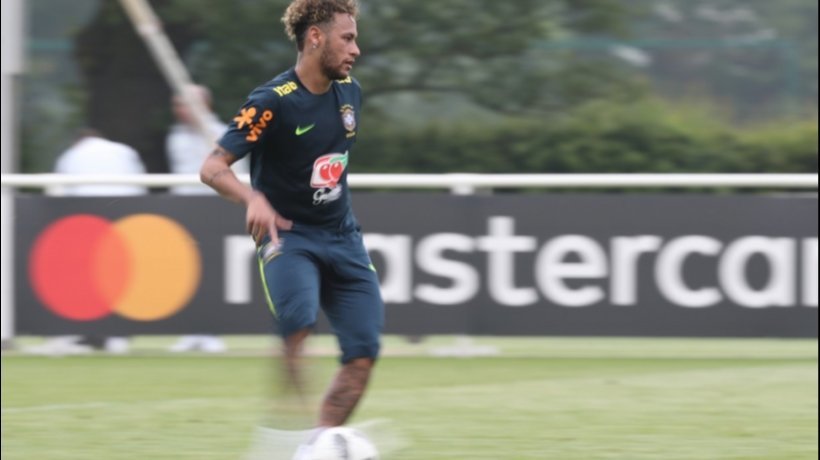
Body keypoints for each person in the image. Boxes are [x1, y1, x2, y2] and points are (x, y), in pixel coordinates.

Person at [199, 0, 382, 457]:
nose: (356, 49)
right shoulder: (271, 101)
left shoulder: (350, 94)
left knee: (363, 353)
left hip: (343, 238)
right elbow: (212, 167)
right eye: (347, 38)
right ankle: (281, 439)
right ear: (315, 37)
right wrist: (253, 198)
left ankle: (316, 443)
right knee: (297, 326)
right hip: (289, 237)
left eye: (355, 39)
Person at [41, 129, 148, 355]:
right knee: (118, 278)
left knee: (86, 279)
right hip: (124, 221)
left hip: (88, 222)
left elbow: (58, 194)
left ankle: (86, 333)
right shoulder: (124, 151)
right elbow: (141, 188)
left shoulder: (70, 155)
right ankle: (116, 336)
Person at [166, 84, 248, 353]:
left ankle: (212, 332)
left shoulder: (222, 134)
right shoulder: (175, 138)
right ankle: (191, 331)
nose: (180, 110)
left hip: (214, 210)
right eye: (177, 104)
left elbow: (237, 172)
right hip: (184, 212)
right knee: (185, 273)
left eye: (185, 104)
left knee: (212, 273)